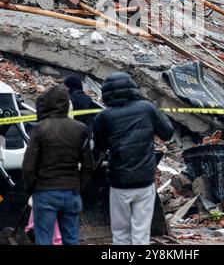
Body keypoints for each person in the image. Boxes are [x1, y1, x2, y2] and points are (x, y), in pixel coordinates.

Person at [93, 72, 174, 245]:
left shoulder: (103, 117)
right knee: (141, 233)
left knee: (120, 234)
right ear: (132, 88)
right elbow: (167, 133)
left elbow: (99, 147)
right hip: (144, 180)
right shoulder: (146, 108)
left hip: (119, 182)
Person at [22, 84, 94, 245]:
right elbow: (88, 165)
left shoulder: (40, 129)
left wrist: (33, 189)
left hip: (45, 192)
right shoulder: (80, 129)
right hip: (71, 192)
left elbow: (28, 166)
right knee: (71, 239)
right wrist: (78, 186)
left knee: (44, 239)